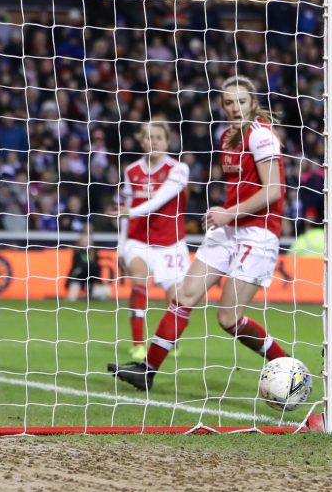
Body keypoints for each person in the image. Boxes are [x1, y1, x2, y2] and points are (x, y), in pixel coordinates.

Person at [112, 75, 289, 391]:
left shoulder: (262, 137)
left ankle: (285, 363)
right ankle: (147, 370)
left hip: (258, 233)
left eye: (241, 101)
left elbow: (274, 190)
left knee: (228, 319)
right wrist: (225, 214)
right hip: (229, 229)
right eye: (229, 102)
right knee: (184, 296)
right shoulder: (227, 138)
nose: (235, 108)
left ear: (253, 102)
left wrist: (228, 212)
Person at [107, 121, 189, 363]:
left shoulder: (179, 169)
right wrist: (121, 247)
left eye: (158, 137)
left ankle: (169, 340)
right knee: (138, 282)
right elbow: (128, 206)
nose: (153, 142)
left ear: (167, 141)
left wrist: (128, 213)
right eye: (148, 137)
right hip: (139, 239)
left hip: (171, 242)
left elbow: (158, 201)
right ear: (142, 141)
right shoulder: (132, 170)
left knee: (177, 300)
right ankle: (137, 344)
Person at [65, 225, 109, 302]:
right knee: (72, 297)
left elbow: (97, 269)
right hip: (78, 281)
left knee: (106, 291)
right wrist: (68, 281)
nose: (86, 243)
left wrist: (99, 281)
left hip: (90, 283)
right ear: (80, 242)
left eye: (87, 241)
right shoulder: (77, 253)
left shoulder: (94, 253)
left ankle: (91, 295)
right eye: (84, 241)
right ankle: (82, 294)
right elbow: (75, 270)